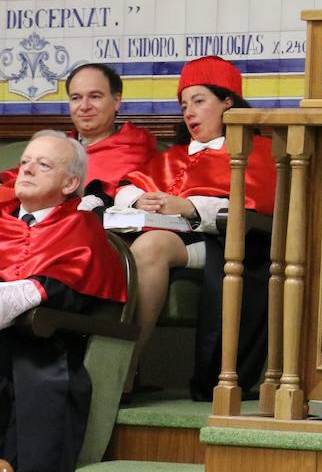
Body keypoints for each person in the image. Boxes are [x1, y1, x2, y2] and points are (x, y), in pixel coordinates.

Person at [114, 56, 277, 398]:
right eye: (184, 104)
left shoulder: (256, 150)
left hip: (226, 243)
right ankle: (112, 365)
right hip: (172, 236)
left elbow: (257, 206)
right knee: (136, 246)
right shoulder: (174, 155)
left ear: (227, 102)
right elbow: (130, 186)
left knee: (150, 246)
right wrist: (136, 201)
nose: (189, 112)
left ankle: (123, 369)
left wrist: (190, 206)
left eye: (199, 101)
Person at [0, 131, 126, 472]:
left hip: (44, 350)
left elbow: (60, 291)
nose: (25, 170)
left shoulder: (81, 229)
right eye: (24, 162)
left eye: (42, 165)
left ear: (70, 182)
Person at [0, 63, 158, 209]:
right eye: (76, 98)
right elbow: (17, 177)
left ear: (116, 101)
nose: (84, 106)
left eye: (95, 97)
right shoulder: (58, 145)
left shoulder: (135, 146)